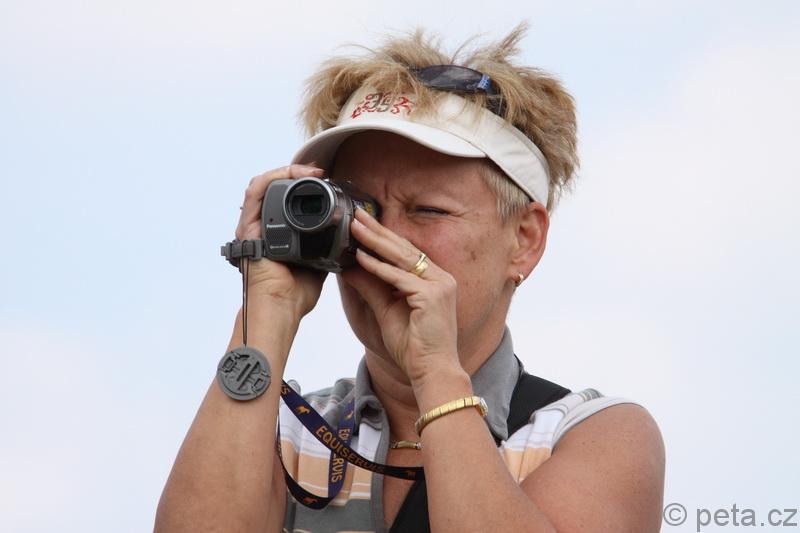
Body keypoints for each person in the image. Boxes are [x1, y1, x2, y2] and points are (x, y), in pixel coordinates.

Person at [155, 23, 665, 533]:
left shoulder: (591, 434)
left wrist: (436, 373)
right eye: (361, 212)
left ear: (525, 239)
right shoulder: (286, 433)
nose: (385, 239)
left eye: (427, 210)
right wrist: (266, 312)